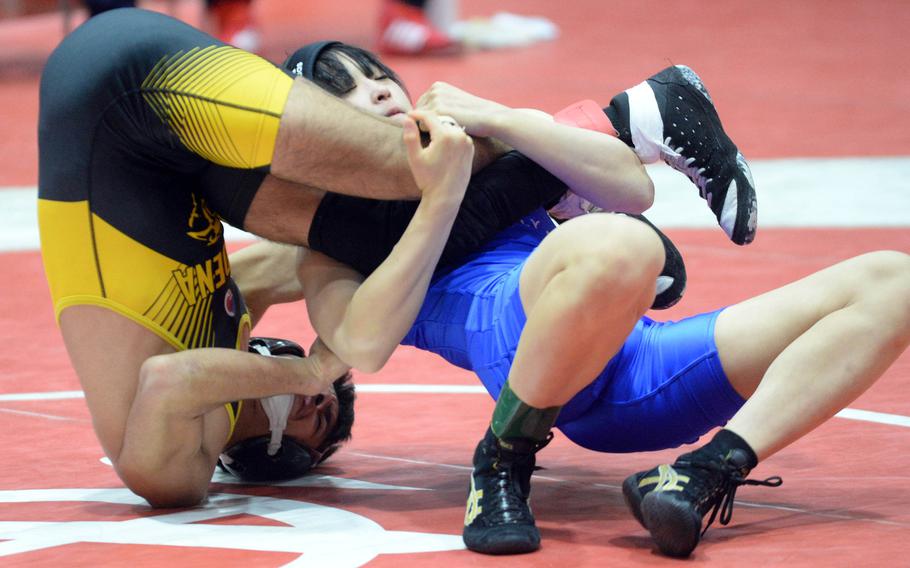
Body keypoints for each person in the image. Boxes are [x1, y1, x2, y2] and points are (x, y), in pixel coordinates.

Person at [254, 41, 910, 558]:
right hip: (525, 352)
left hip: (638, 371)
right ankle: (502, 459)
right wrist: (443, 193)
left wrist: (500, 119)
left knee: (892, 280)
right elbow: (363, 343)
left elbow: (632, 187)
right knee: (619, 246)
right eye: (342, 92)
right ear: (323, 137)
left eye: (376, 76)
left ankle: (703, 473)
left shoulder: (484, 150)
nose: (375, 89)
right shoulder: (330, 243)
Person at [35, 7, 505, 507]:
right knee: (378, 218)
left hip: (121, 95)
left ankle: (586, 131)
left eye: (320, 419)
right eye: (327, 404)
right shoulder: (228, 325)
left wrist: (308, 372)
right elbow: (329, 255)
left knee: (413, 167)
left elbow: (171, 378)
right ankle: (562, 159)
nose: (321, 399)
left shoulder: (173, 477)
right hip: (156, 138)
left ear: (280, 458)